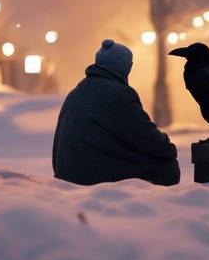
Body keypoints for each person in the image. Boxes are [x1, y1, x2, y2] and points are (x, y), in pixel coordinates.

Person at [52, 39, 180, 186]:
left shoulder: (75, 93)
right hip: (92, 176)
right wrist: (168, 148)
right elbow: (147, 138)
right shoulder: (119, 94)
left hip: (68, 174)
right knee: (168, 167)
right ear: (125, 66)